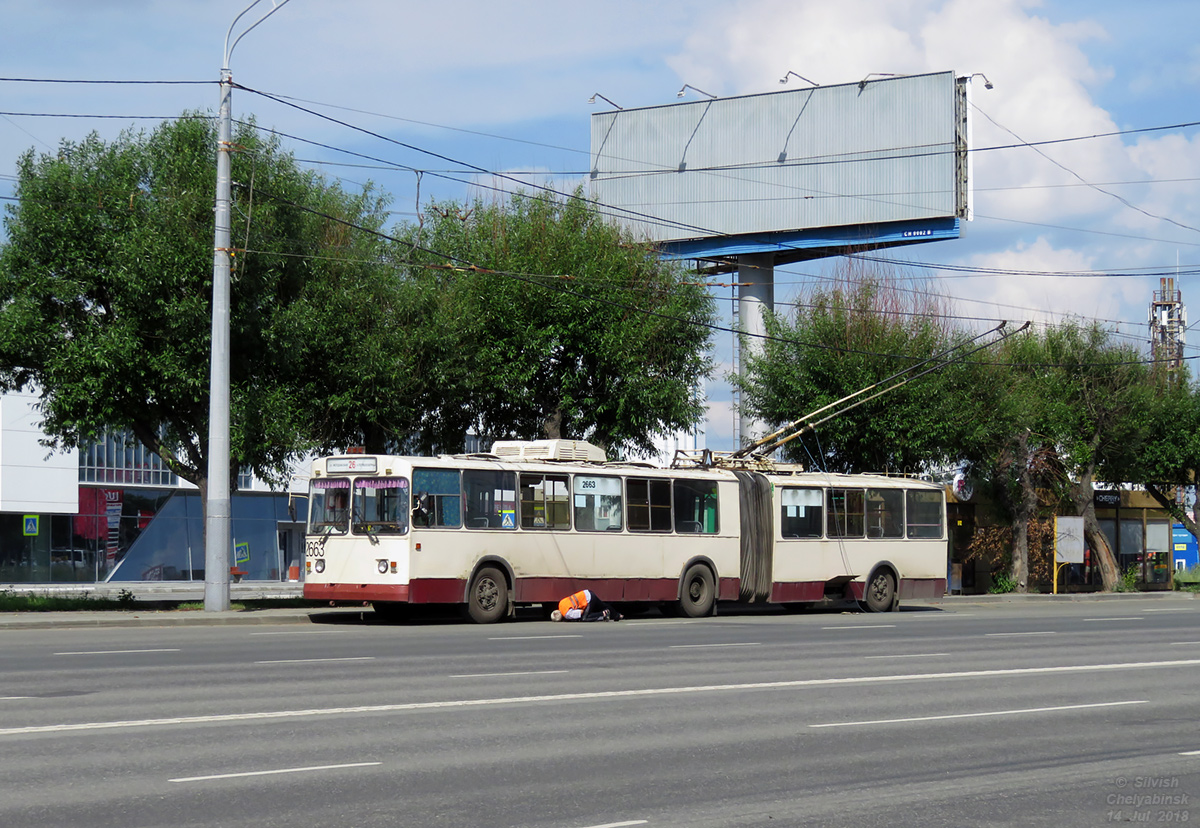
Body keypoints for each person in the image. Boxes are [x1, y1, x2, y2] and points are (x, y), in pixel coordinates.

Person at [550, 589, 622, 622]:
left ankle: (603, 614)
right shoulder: (561, 604)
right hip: (587, 593)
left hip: (588, 599)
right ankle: (617, 615)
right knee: (602, 605)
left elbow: (581, 612)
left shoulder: (567, 614)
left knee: (584, 618)